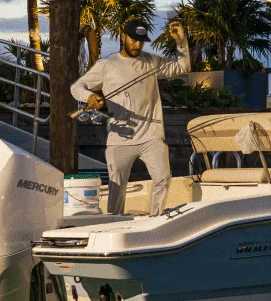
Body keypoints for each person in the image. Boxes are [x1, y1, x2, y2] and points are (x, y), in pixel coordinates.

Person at [71, 19, 190, 215]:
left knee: (163, 177)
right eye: (134, 40)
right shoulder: (107, 65)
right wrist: (89, 96)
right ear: (123, 36)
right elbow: (77, 87)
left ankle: (156, 219)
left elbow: (182, 67)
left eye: (141, 41)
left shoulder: (152, 62)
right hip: (120, 139)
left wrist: (181, 42)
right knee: (117, 187)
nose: (138, 45)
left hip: (151, 136)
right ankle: (114, 223)